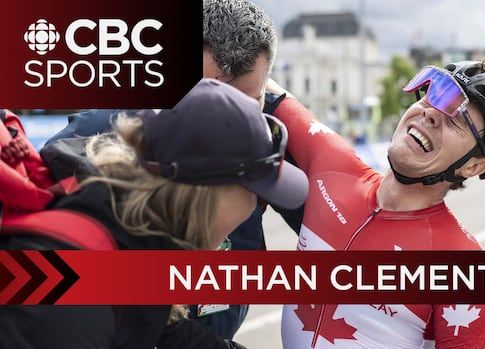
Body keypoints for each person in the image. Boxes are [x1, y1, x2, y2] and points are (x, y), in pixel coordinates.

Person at [43, 0, 290, 339]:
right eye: (204, 95)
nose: (223, 128)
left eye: (247, 102)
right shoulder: (95, 135)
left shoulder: (268, 139)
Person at [0, 78, 309, 349]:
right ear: (205, 197)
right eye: (255, 193)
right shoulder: (73, 293)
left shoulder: (126, 223)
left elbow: (166, 328)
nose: (255, 208)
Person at [266, 60, 485, 348]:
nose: (432, 114)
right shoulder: (333, 164)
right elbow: (255, 74)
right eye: (434, 95)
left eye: (458, 119)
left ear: (474, 166)